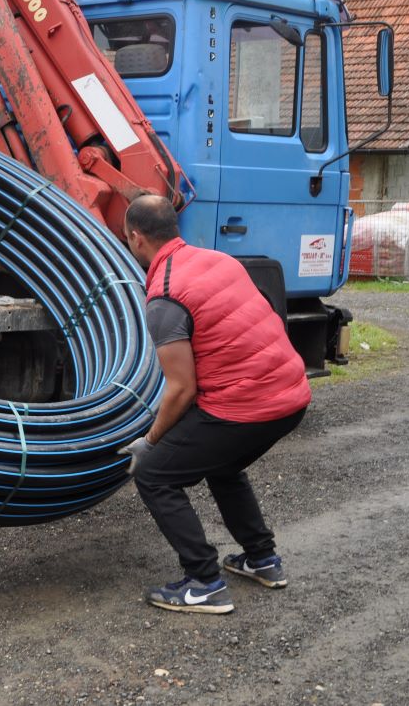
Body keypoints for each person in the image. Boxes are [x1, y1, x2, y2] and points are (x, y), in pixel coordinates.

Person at [117, 194, 311, 615]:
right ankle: (262, 559)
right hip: (292, 396)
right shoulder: (219, 260)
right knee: (222, 463)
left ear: (136, 238)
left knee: (154, 475)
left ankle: (204, 582)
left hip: (246, 405)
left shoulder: (165, 293)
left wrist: (150, 441)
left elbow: (181, 389)